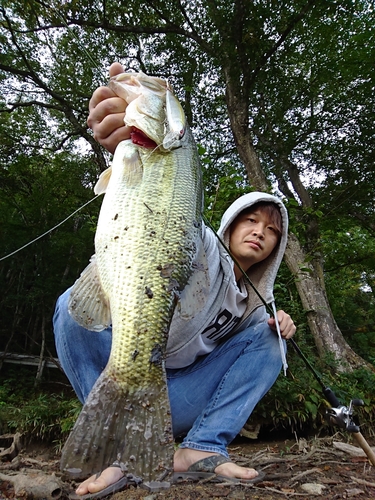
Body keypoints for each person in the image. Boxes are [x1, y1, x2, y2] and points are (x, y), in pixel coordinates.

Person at [53, 63, 296, 498]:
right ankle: (119, 450)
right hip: (138, 384)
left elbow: (254, 348)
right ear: (229, 225)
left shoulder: (257, 303)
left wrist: (278, 324)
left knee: (272, 334)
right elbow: (166, 202)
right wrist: (124, 134)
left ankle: (200, 447)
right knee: (70, 307)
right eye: (251, 219)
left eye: (272, 229)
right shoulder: (199, 239)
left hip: (177, 400)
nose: (260, 231)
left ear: (277, 247)